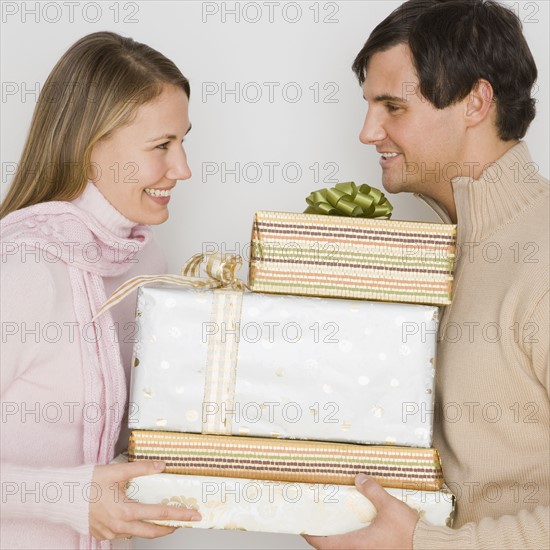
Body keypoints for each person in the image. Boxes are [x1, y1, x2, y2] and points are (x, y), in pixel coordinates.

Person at [303, 0, 549, 548]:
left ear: (475, 101)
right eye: (370, 106)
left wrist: (422, 544)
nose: (369, 132)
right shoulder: (429, 253)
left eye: (393, 106)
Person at [0, 32, 202, 549]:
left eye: (183, 141)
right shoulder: (22, 268)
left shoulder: (145, 262)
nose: (182, 169)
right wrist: (68, 498)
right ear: (91, 147)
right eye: (162, 146)